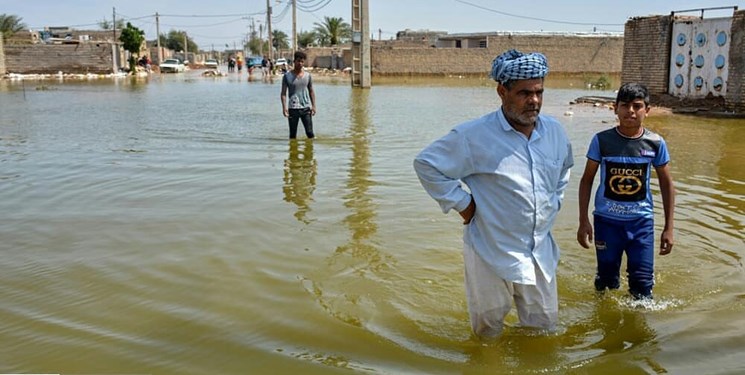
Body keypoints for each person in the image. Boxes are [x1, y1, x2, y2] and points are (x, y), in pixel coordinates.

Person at [413, 49, 573, 338]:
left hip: (539, 251)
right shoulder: (474, 136)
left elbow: (564, 169)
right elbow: (427, 164)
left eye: (539, 92)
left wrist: (554, 202)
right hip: (490, 249)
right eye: (525, 93)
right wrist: (464, 205)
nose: (534, 100)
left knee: (544, 329)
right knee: (488, 332)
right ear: (502, 91)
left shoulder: (555, 132)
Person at [576, 82, 675, 300]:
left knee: (642, 284)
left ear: (647, 111)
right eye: (625, 105)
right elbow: (587, 180)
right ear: (615, 108)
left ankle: (638, 329)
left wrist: (669, 227)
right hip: (606, 222)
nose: (631, 111)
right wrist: (583, 220)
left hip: (641, 223)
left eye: (637, 106)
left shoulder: (655, 143)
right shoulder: (602, 140)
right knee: (606, 281)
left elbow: (667, 184)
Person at [280, 51, 316, 139]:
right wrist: (284, 108)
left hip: (305, 108)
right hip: (293, 109)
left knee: (310, 134)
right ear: (294, 61)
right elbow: (283, 93)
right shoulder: (287, 76)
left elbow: (311, 91)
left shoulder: (307, 76)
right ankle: (293, 152)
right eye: (298, 61)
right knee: (292, 136)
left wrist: (314, 106)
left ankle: (309, 152)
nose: (300, 63)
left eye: (302, 61)